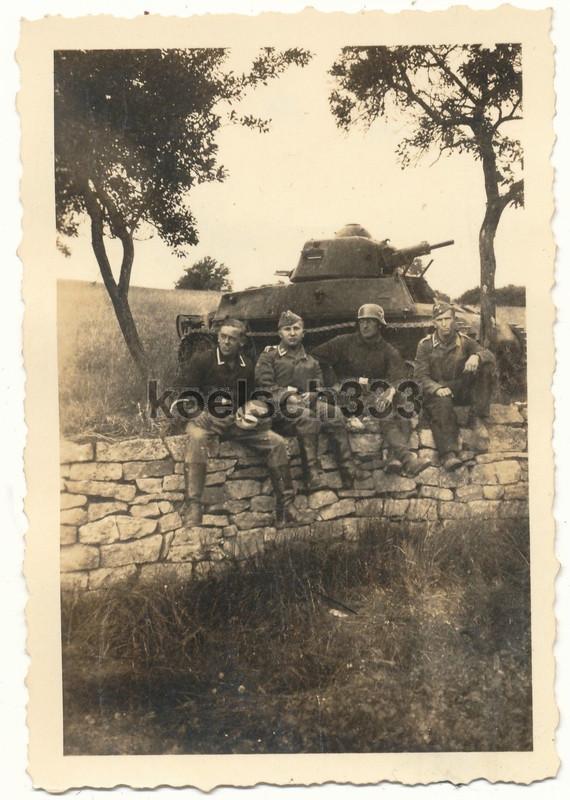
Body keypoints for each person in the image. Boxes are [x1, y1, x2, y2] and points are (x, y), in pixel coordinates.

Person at [176, 318, 313, 529]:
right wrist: (195, 412)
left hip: (236, 424)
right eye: (222, 337)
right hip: (206, 421)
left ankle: (286, 508)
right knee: (196, 437)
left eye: (232, 338)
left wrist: (250, 409)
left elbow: (251, 397)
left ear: (241, 341)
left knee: (275, 442)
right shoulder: (202, 360)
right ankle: (193, 505)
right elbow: (180, 394)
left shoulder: (247, 365)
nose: (226, 342)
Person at [311, 304, 432, 478]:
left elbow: (398, 378)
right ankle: (407, 460)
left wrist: (389, 391)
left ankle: (400, 460)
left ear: (379, 324)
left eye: (370, 321)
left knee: (398, 408)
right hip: (348, 393)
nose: (365, 326)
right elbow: (315, 357)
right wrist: (330, 382)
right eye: (362, 322)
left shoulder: (388, 351)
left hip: (373, 394)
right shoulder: (343, 342)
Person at [255, 310, 361, 491]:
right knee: (307, 417)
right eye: (287, 329)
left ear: (303, 333)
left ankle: (348, 470)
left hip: (306, 403)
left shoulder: (311, 361)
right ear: (280, 333)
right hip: (278, 409)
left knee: (334, 413)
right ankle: (312, 474)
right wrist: (289, 397)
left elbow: (319, 385)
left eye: (296, 328)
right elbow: (265, 386)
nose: (292, 333)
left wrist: (315, 394)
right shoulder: (269, 357)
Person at [413, 301, 496, 471]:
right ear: (434, 322)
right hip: (437, 390)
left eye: (448, 319)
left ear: (454, 320)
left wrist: (477, 356)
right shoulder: (426, 345)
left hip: (459, 387)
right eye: (440, 319)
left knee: (485, 365)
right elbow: (420, 375)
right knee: (442, 404)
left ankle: (476, 415)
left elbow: (489, 355)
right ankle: (448, 454)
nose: (444, 324)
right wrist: (436, 388)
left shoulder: (464, 341)